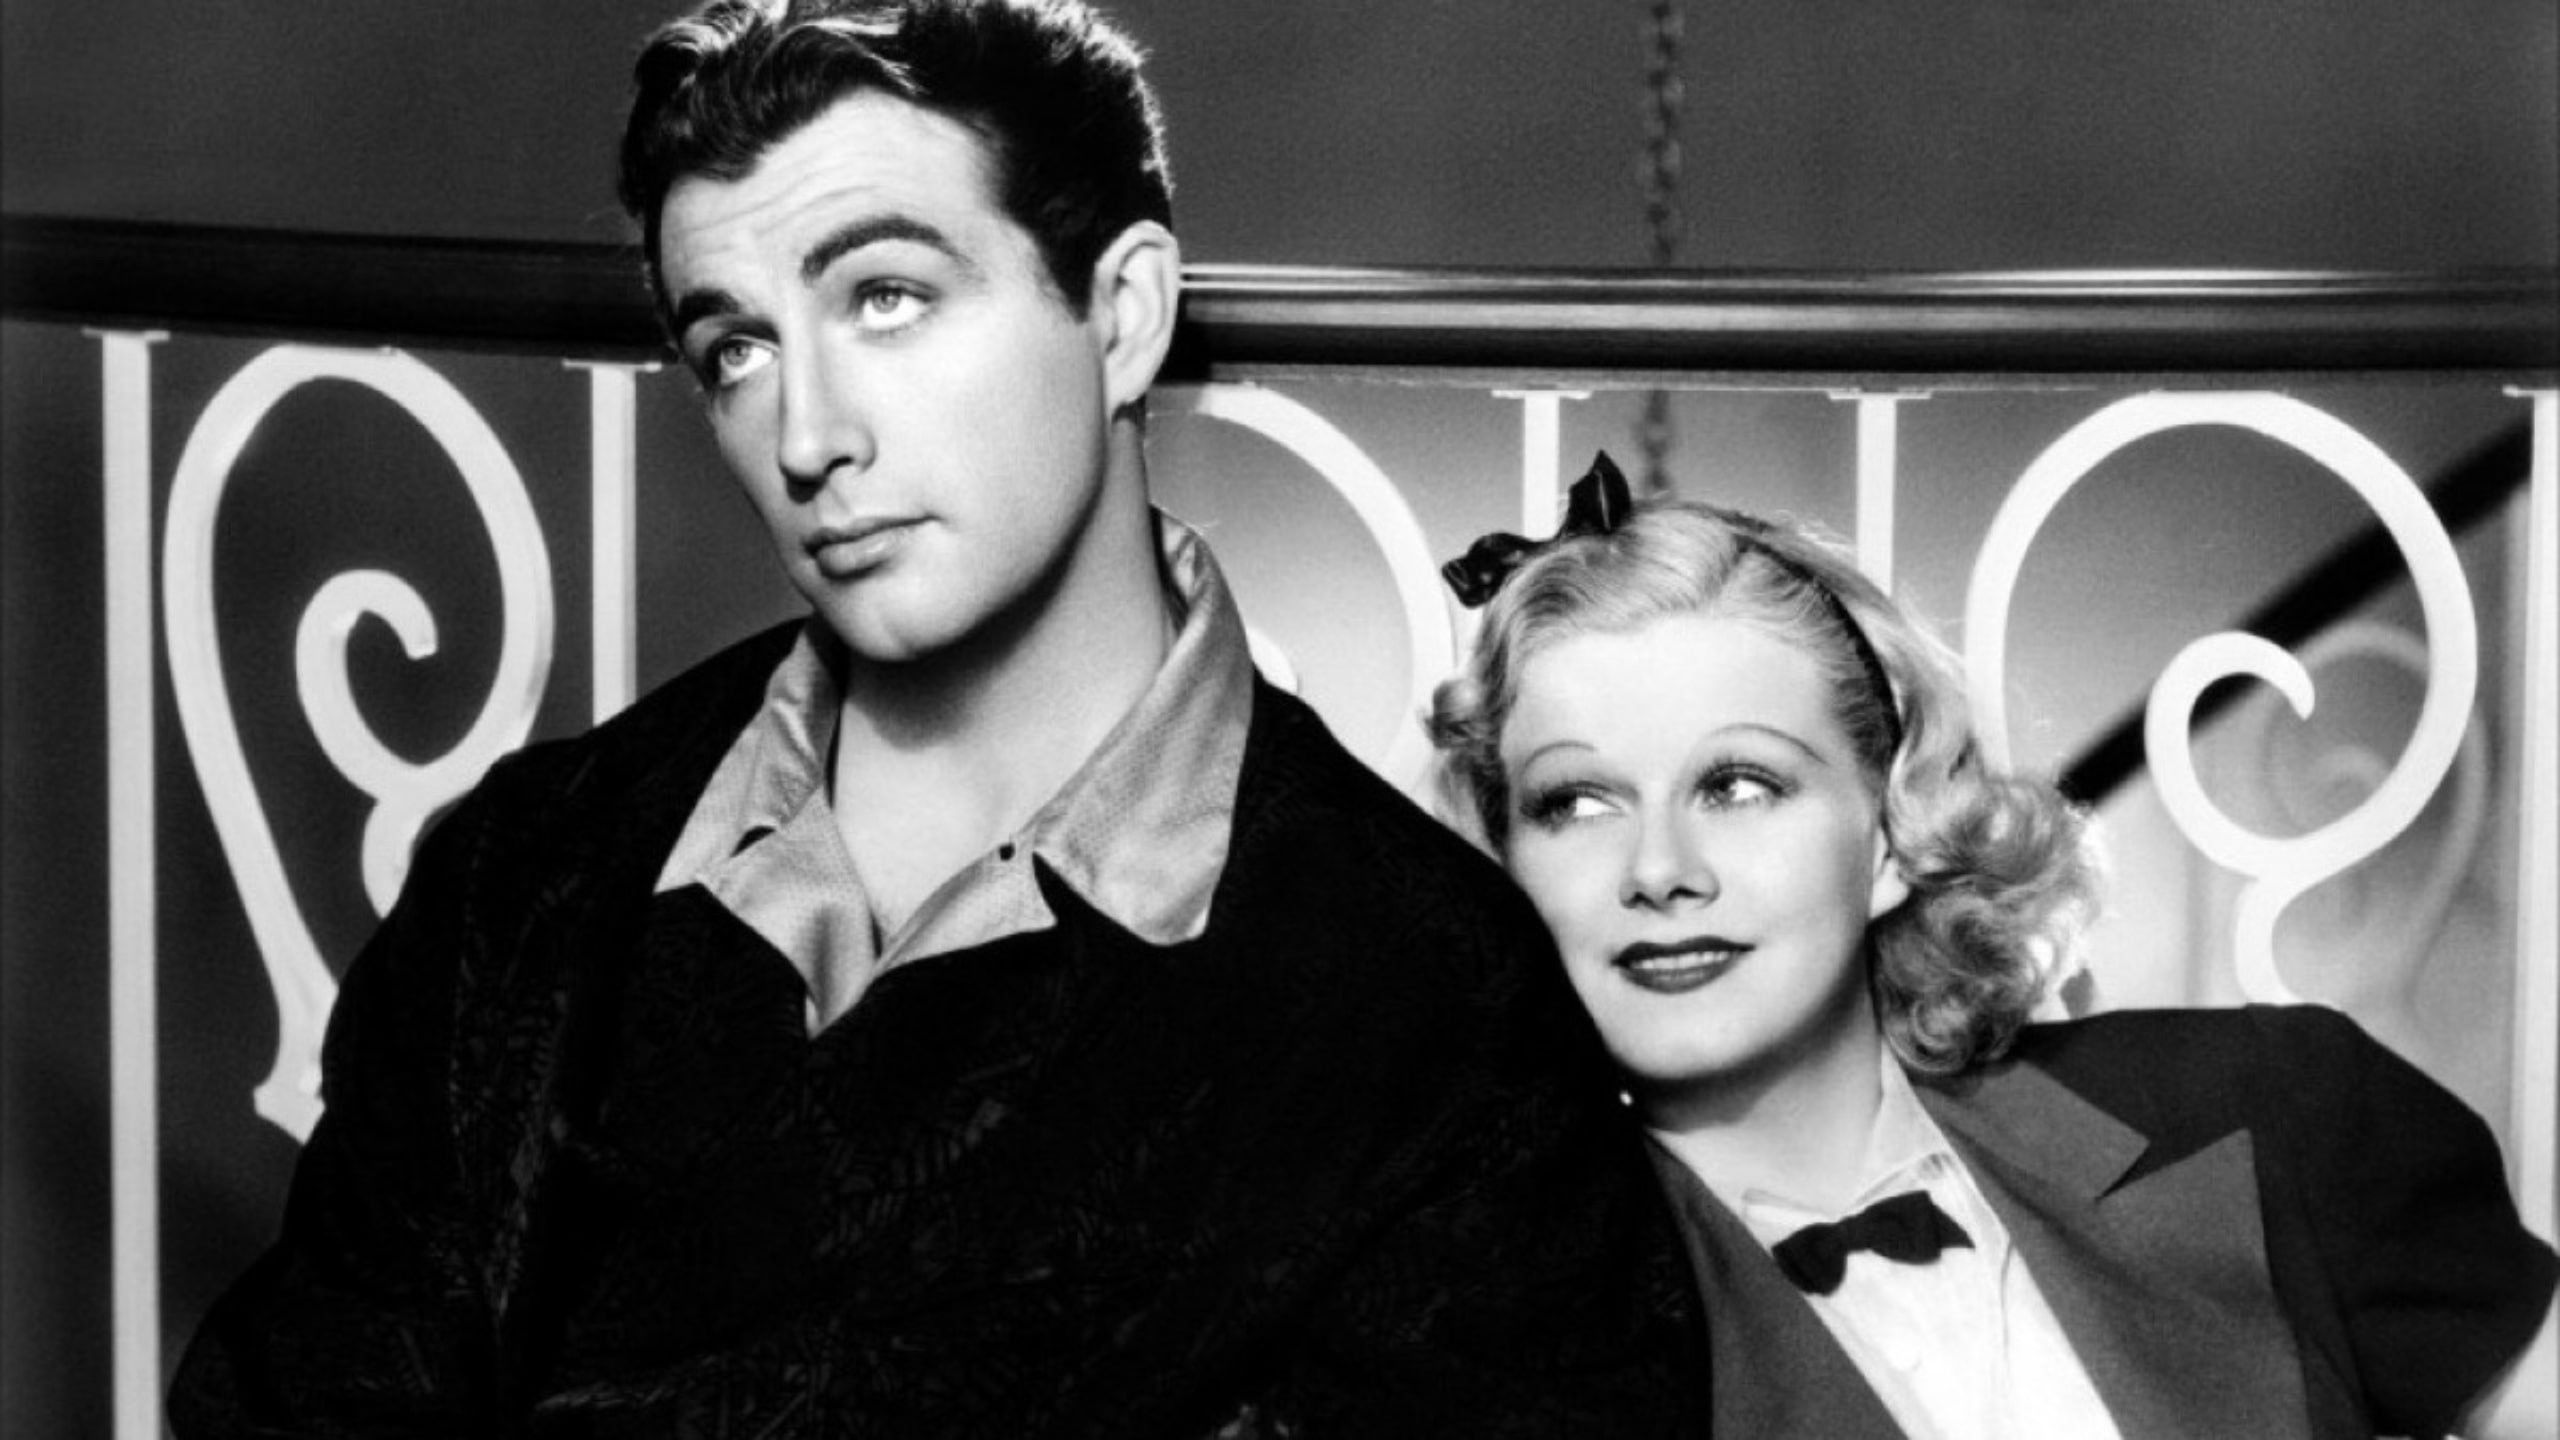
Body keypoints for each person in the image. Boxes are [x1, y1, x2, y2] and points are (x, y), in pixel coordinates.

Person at [167, 6, 1711, 1435]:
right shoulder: (526, 873)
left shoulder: (1424, 1002)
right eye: (737, 350)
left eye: (887, 298)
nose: (809, 436)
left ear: (1123, 314)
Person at [1428, 452, 2559, 1439]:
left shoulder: (2267, 1116)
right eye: (1575, 803)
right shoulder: (1489, 1322)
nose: (1659, 868)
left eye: (1738, 784)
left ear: (1891, 832)